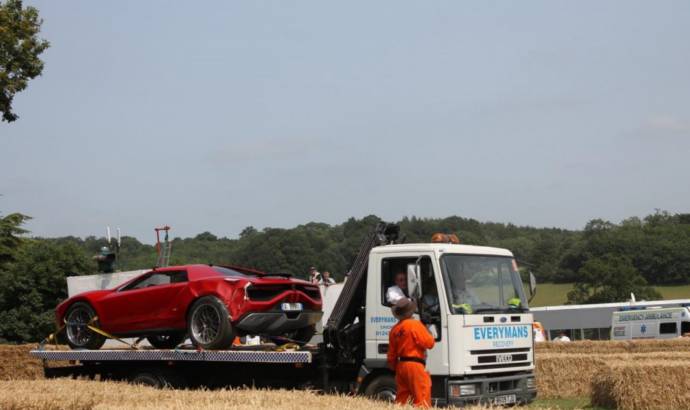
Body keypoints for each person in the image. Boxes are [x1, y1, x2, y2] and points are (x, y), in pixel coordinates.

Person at [387, 298, 435, 408]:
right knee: (422, 398)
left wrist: (395, 368)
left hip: (401, 367)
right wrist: (427, 329)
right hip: (415, 366)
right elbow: (429, 343)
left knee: (402, 400)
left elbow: (391, 355)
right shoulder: (415, 325)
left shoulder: (394, 330)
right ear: (411, 311)